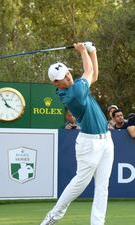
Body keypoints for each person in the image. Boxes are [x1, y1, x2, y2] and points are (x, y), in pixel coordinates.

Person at [40, 42, 114, 225]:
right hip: (90, 144)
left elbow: (94, 75)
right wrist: (83, 51)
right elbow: (88, 71)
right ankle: (54, 215)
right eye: (62, 77)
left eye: (67, 73)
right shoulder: (73, 93)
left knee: (102, 187)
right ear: (55, 83)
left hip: (106, 140)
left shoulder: (76, 86)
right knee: (80, 182)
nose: (68, 77)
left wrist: (93, 50)